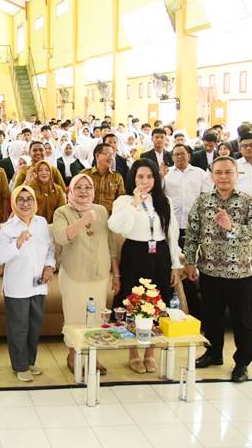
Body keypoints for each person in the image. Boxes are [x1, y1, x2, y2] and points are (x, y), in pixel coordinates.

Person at [185, 156, 252, 383]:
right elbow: (192, 235)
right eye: (218, 172)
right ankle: (213, 353)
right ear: (212, 175)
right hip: (209, 272)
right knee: (211, 318)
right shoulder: (202, 202)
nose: (223, 177)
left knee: (243, 321)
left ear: (237, 175)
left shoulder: (250, 202)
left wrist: (233, 227)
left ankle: (242, 363)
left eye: (228, 172)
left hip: (239, 273)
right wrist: (189, 261)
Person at [108, 159, 183, 374]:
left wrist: (175, 264)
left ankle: (150, 351)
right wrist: (135, 202)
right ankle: (133, 352)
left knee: (157, 303)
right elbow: (116, 226)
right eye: (140, 177)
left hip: (159, 255)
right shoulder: (124, 200)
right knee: (133, 302)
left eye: (150, 176)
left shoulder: (163, 200)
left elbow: (172, 234)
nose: (145, 181)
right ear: (133, 178)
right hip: (135, 254)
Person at [52, 174, 119, 375]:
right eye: (78, 187)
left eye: (87, 187)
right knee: (75, 317)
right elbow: (62, 237)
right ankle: (73, 354)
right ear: (70, 191)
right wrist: (83, 220)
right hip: (74, 274)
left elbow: (111, 244)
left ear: (93, 190)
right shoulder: (61, 212)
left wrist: (116, 273)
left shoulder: (101, 211)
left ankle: (94, 356)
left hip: (99, 274)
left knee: (97, 317)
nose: (83, 191)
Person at [0, 185, 55, 382]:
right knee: (19, 327)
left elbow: (50, 249)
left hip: (39, 284)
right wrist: (18, 242)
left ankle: (29, 361)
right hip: (17, 286)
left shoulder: (41, 222)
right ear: (14, 203)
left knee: (34, 325)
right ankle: (19, 366)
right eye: (20, 199)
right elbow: (0, 257)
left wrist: (49, 266)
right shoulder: (7, 229)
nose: (25, 203)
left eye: (29, 199)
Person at [165, 144, 213, 244]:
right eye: (176, 154)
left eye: (182, 153)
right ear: (172, 157)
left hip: (194, 223)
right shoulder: (165, 174)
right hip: (171, 223)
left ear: (189, 156)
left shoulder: (200, 173)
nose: (179, 156)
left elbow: (207, 198)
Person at [84, 143, 126, 215]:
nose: (111, 158)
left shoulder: (117, 177)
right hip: (88, 216)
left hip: (109, 217)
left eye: (112, 155)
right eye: (108, 154)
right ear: (97, 155)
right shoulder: (85, 175)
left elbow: (121, 200)